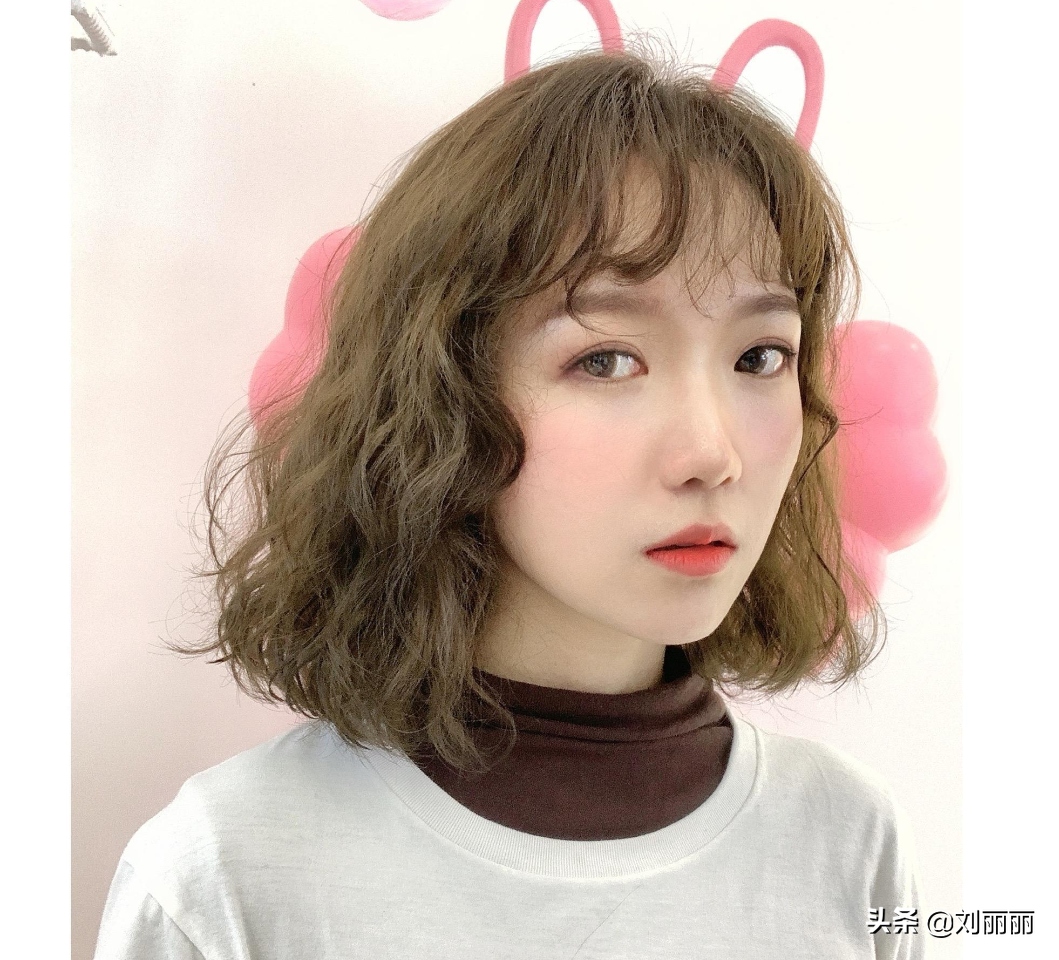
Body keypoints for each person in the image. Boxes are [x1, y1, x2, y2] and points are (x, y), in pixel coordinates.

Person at [93, 37, 925, 960]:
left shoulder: (848, 841)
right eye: (605, 360)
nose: (711, 453)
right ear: (441, 399)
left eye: (758, 356)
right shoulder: (229, 875)